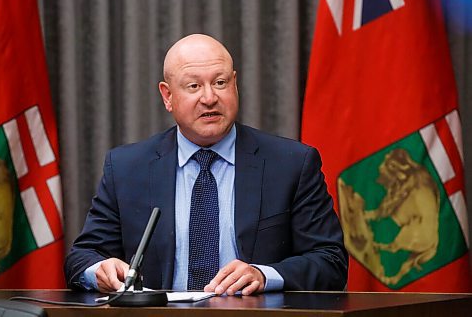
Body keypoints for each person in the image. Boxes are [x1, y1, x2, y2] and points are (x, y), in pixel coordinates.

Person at [64, 34, 348, 295]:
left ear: (235, 84)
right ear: (167, 96)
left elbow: (331, 260)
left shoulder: (291, 164)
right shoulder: (127, 168)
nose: (209, 97)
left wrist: (264, 275)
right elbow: (83, 256)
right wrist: (99, 272)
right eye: (193, 86)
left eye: (220, 83)